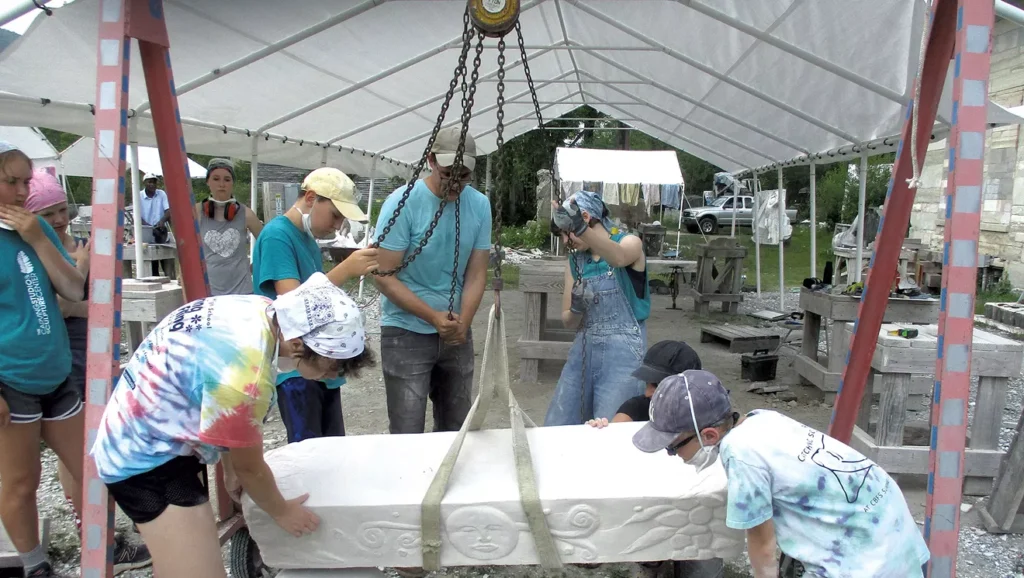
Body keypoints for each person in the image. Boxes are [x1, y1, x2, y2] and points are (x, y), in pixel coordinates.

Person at [89, 250, 378, 578]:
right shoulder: (247, 377)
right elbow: (250, 468)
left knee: (182, 561)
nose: (332, 376)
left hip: (150, 428)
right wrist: (282, 512)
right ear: (299, 344)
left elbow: (221, 414)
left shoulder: (262, 311)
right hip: (145, 459)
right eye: (332, 366)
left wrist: (229, 470)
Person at [632, 370, 931, 578]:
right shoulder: (761, 419)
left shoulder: (741, 453)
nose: (674, 455)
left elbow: (763, 547)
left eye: (673, 447)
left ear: (709, 435)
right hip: (892, 529)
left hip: (863, 559)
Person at [24, 170, 152, 574]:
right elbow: (63, 307)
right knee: (79, 451)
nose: (59, 219)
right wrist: (93, 300)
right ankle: (96, 535)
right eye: (48, 213)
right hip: (67, 358)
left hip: (91, 352)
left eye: (62, 209)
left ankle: (115, 526)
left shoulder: (70, 244)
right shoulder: (37, 252)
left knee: (101, 441)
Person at [0, 142, 88, 578]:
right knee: (21, 481)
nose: (21, 192)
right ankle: (35, 564)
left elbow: (73, 289)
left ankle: (104, 543)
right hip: (11, 377)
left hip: (55, 370)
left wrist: (38, 238)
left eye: (25, 182)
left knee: (91, 467)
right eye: (10, 182)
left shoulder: (35, 228)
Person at [373, 126, 492, 434]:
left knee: (457, 428)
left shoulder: (479, 205)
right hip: (406, 330)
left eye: (464, 176)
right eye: (449, 173)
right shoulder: (402, 203)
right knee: (407, 429)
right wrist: (432, 317)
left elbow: (477, 272)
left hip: (455, 331)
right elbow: (383, 275)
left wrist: (463, 322)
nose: (456, 183)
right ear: (431, 160)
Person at [251, 167, 368, 443]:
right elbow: (293, 303)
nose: (337, 225)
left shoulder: (307, 239)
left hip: (322, 361)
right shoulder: (277, 235)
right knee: (309, 448)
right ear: (312, 198)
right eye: (335, 215)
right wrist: (346, 270)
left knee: (331, 446)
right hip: (298, 364)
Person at [545, 190, 650, 426]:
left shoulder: (629, 243)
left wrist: (581, 229)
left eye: (567, 232)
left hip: (623, 355)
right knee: (559, 424)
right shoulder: (576, 261)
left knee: (611, 428)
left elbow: (619, 258)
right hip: (584, 349)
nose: (566, 242)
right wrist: (576, 308)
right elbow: (568, 322)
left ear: (586, 218)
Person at [587, 340, 701, 427]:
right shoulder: (636, 407)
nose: (647, 393)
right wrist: (600, 433)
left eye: (657, 385)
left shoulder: (705, 415)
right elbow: (614, 434)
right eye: (647, 383)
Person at [195, 158, 263, 295]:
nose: (221, 184)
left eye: (227, 179)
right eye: (216, 179)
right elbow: (186, 249)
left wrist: (255, 266)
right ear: (208, 182)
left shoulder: (246, 214)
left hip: (242, 292)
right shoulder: (196, 212)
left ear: (232, 183)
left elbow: (268, 243)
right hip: (208, 292)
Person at [136, 172, 173, 277]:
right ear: (145, 183)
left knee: (166, 261)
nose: (152, 184)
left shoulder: (161, 194)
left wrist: (162, 221)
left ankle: (170, 279)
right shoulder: (139, 196)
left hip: (161, 231)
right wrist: (148, 226)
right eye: (149, 182)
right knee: (152, 265)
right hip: (146, 232)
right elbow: (137, 215)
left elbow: (168, 211)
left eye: (154, 182)